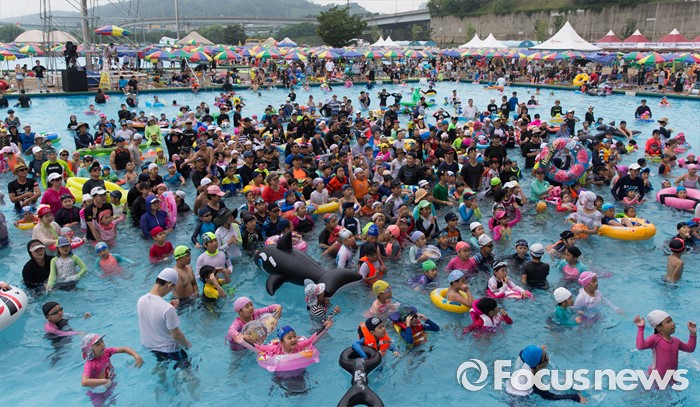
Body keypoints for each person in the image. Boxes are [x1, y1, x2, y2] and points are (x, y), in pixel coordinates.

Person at [137, 268, 192, 369]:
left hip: (152, 348)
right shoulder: (167, 309)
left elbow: (153, 315)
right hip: (170, 350)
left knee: (163, 369)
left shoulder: (141, 300)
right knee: (187, 370)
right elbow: (176, 335)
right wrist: (187, 345)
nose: (172, 291)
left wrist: (167, 306)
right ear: (169, 285)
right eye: (173, 288)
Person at [506, 345, 586, 402]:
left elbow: (522, 353)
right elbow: (549, 396)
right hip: (518, 399)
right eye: (546, 356)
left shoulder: (528, 361)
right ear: (538, 365)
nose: (548, 358)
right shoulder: (534, 381)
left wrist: (537, 352)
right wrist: (573, 397)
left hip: (511, 385)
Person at [634, 310, 696, 383]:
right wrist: (641, 328)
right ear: (659, 327)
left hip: (671, 378)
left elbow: (690, 348)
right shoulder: (655, 339)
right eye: (668, 322)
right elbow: (640, 346)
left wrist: (692, 333)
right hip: (655, 378)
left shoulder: (676, 341)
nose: (672, 323)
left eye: (671, 320)